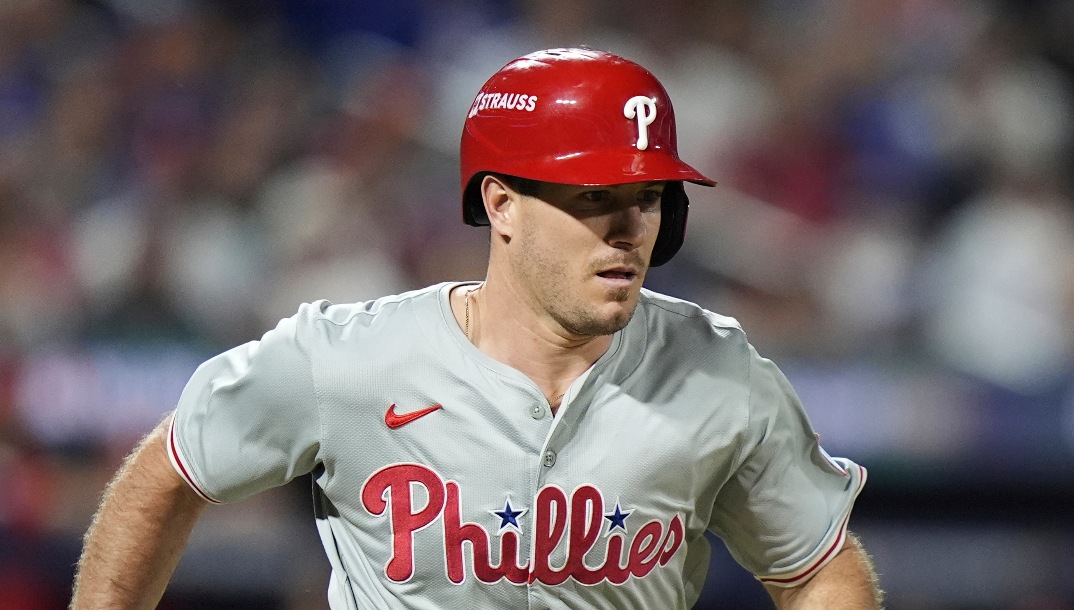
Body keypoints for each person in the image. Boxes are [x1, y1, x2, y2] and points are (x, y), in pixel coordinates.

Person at [71, 48, 883, 609]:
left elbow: (815, 568)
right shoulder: (349, 361)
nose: (628, 227)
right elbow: (169, 473)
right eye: (591, 197)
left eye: (648, 197)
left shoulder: (718, 372)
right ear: (501, 204)